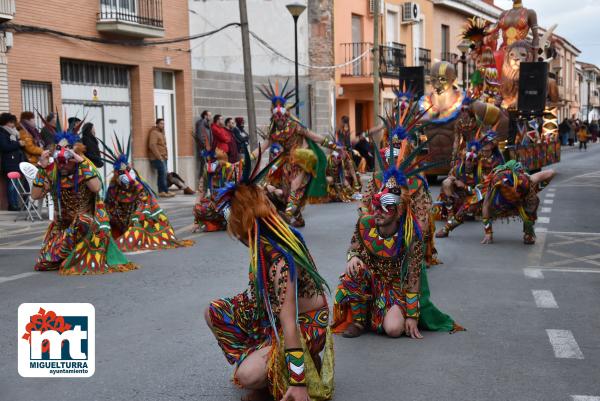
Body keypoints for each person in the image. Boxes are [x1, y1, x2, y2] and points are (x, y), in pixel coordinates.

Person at [205, 148, 334, 401]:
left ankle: (290, 375)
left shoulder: (280, 260)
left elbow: (290, 323)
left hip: (304, 324)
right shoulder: (265, 238)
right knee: (214, 313)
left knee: (247, 376)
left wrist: (298, 382)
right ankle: (273, 368)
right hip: (270, 315)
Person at [331, 140, 463, 339]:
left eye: (387, 207)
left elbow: (413, 276)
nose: (379, 211)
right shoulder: (365, 221)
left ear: (399, 210)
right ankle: (359, 320)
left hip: (395, 286)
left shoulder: (411, 232)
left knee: (393, 330)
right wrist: (353, 256)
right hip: (372, 278)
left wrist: (411, 315)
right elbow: (355, 244)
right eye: (377, 205)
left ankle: (383, 314)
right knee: (354, 270)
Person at [30, 125, 137, 274]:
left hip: (86, 224)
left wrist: (81, 161)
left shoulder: (84, 169)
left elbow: (96, 187)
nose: (63, 165)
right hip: (63, 226)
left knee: (82, 220)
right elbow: (35, 195)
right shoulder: (52, 172)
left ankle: (77, 251)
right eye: (60, 161)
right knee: (44, 263)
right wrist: (41, 167)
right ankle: (67, 251)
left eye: (67, 159)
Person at [254, 80, 335, 227]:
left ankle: (289, 214)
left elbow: (314, 137)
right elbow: (263, 147)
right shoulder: (273, 132)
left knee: (295, 186)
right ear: (273, 116)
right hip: (285, 162)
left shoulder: (295, 126)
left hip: (302, 159)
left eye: (281, 115)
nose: (279, 118)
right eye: (276, 115)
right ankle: (297, 216)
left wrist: (334, 146)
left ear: (286, 114)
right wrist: (248, 158)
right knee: (279, 190)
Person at [99, 134, 194, 252]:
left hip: (139, 219)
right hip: (122, 222)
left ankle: (129, 239)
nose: (126, 175)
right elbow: (108, 206)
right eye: (122, 173)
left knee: (138, 227)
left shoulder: (138, 185)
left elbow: (144, 203)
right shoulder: (113, 188)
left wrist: (136, 216)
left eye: (128, 171)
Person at [436, 132, 504, 238]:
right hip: (476, 190)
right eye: (483, 150)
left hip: (489, 190)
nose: (485, 152)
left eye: (487, 150)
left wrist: (464, 186)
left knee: (469, 207)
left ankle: (489, 233)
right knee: (450, 187)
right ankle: (447, 228)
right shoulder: (477, 159)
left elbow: (484, 184)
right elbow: (461, 169)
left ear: (492, 148)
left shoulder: (497, 162)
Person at [480, 161, 555, 245]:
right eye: (509, 196)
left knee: (531, 208)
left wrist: (537, 188)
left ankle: (528, 233)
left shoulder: (526, 183)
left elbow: (551, 173)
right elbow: (485, 206)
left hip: (524, 196)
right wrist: (488, 232)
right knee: (476, 204)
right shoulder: (494, 185)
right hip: (500, 199)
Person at [192, 148, 237, 232]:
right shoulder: (207, 170)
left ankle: (227, 222)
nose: (217, 163)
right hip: (213, 204)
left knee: (229, 213)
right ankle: (218, 223)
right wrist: (196, 218)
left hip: (228, 205)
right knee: (198, 208)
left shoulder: (231, 169)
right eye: (215, 160)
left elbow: (236, 192)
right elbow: (202, 191)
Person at [0, 113, 25, 211]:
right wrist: (18, 144)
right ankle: (12, 204)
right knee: (12, 184)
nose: (13, 125)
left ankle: (15, 203)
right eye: (11, 122)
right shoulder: (2, 133)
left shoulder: (14, 133)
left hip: (16, 161)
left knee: (16, 184)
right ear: (5, 123)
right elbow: (5, 147)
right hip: (9, 161)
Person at [148, 118, 174, 198]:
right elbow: (152, 145)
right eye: (161, 124)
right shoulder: (154, 133)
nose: (163, 125)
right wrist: (159, 157)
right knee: (162, 173)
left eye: (163, 124)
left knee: (163, 174)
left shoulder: (161, 133)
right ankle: (162, 191)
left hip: (163, 157)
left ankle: (164, 191)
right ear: (157, 124)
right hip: (157, 158)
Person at [194, 110, 213, 178]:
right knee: (204, 166)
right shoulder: (201, 123)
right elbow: (200, 136)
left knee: (207, 167)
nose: (211, 117)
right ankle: (202, 184)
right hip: (204, 149)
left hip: (208, 149)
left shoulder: (207, 124)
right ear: (205, 116)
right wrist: (205, 146)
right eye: (209, 115)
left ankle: (206, 184)